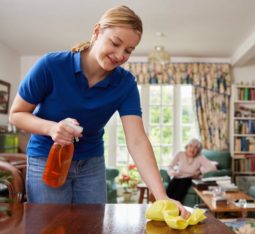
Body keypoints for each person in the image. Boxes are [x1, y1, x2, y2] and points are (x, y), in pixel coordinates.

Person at [9, 5, 189, 218]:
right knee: (50, 226)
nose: (120, 55)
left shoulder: (125, 83)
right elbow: (16, 114)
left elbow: (137, 140)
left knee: (92, 226)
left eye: (129, 51)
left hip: (91, 164)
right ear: (96, 32)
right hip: (47, 160)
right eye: (115, 43)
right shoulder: (51, 65)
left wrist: (162, 197)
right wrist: (51, 128)